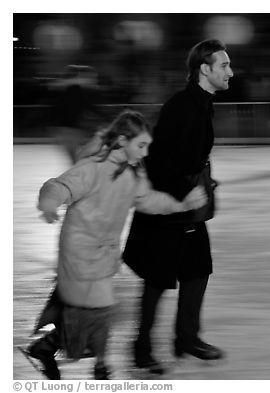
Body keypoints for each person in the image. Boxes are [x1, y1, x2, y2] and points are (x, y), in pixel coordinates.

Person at [24, 110, 208, 380]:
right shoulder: (93, 167)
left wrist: (181, 205)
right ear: (122, 141)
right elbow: (59, 186)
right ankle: (99, 369)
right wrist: (49, 203)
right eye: (141, 145)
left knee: (93, 313)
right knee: (100, 310)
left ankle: (49, 347)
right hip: (79, 252)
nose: (145, 153)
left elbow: (148, 201)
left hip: (103, 253)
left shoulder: (133, 175)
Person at [123, 39, 233, 374]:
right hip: (167, 208)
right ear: (205, 69)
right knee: (157, 279)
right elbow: (156, 161)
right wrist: (184, 194)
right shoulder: (183, 106)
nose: (231, 71)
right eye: (224, 65)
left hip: (187, 203)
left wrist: (203, 182)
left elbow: (189, 154)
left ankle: (186, 338)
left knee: (198, 268)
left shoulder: (201, 104)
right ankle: (141, 349)